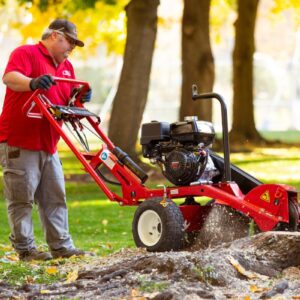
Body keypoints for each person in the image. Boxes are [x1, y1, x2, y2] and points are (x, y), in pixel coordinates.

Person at [0, 19, 93, 261]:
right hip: (20, 140)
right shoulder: (26, 53)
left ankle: (62, 247)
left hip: (49, 144)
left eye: (74, 44)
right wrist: (32, 83)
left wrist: (80, 97)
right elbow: (9, 78)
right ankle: (26, 250)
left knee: (55, 196)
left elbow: (65, 104)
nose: (71, 48)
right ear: (54, 35)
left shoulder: (67, 68)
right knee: (22, 198)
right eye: (69, 42)